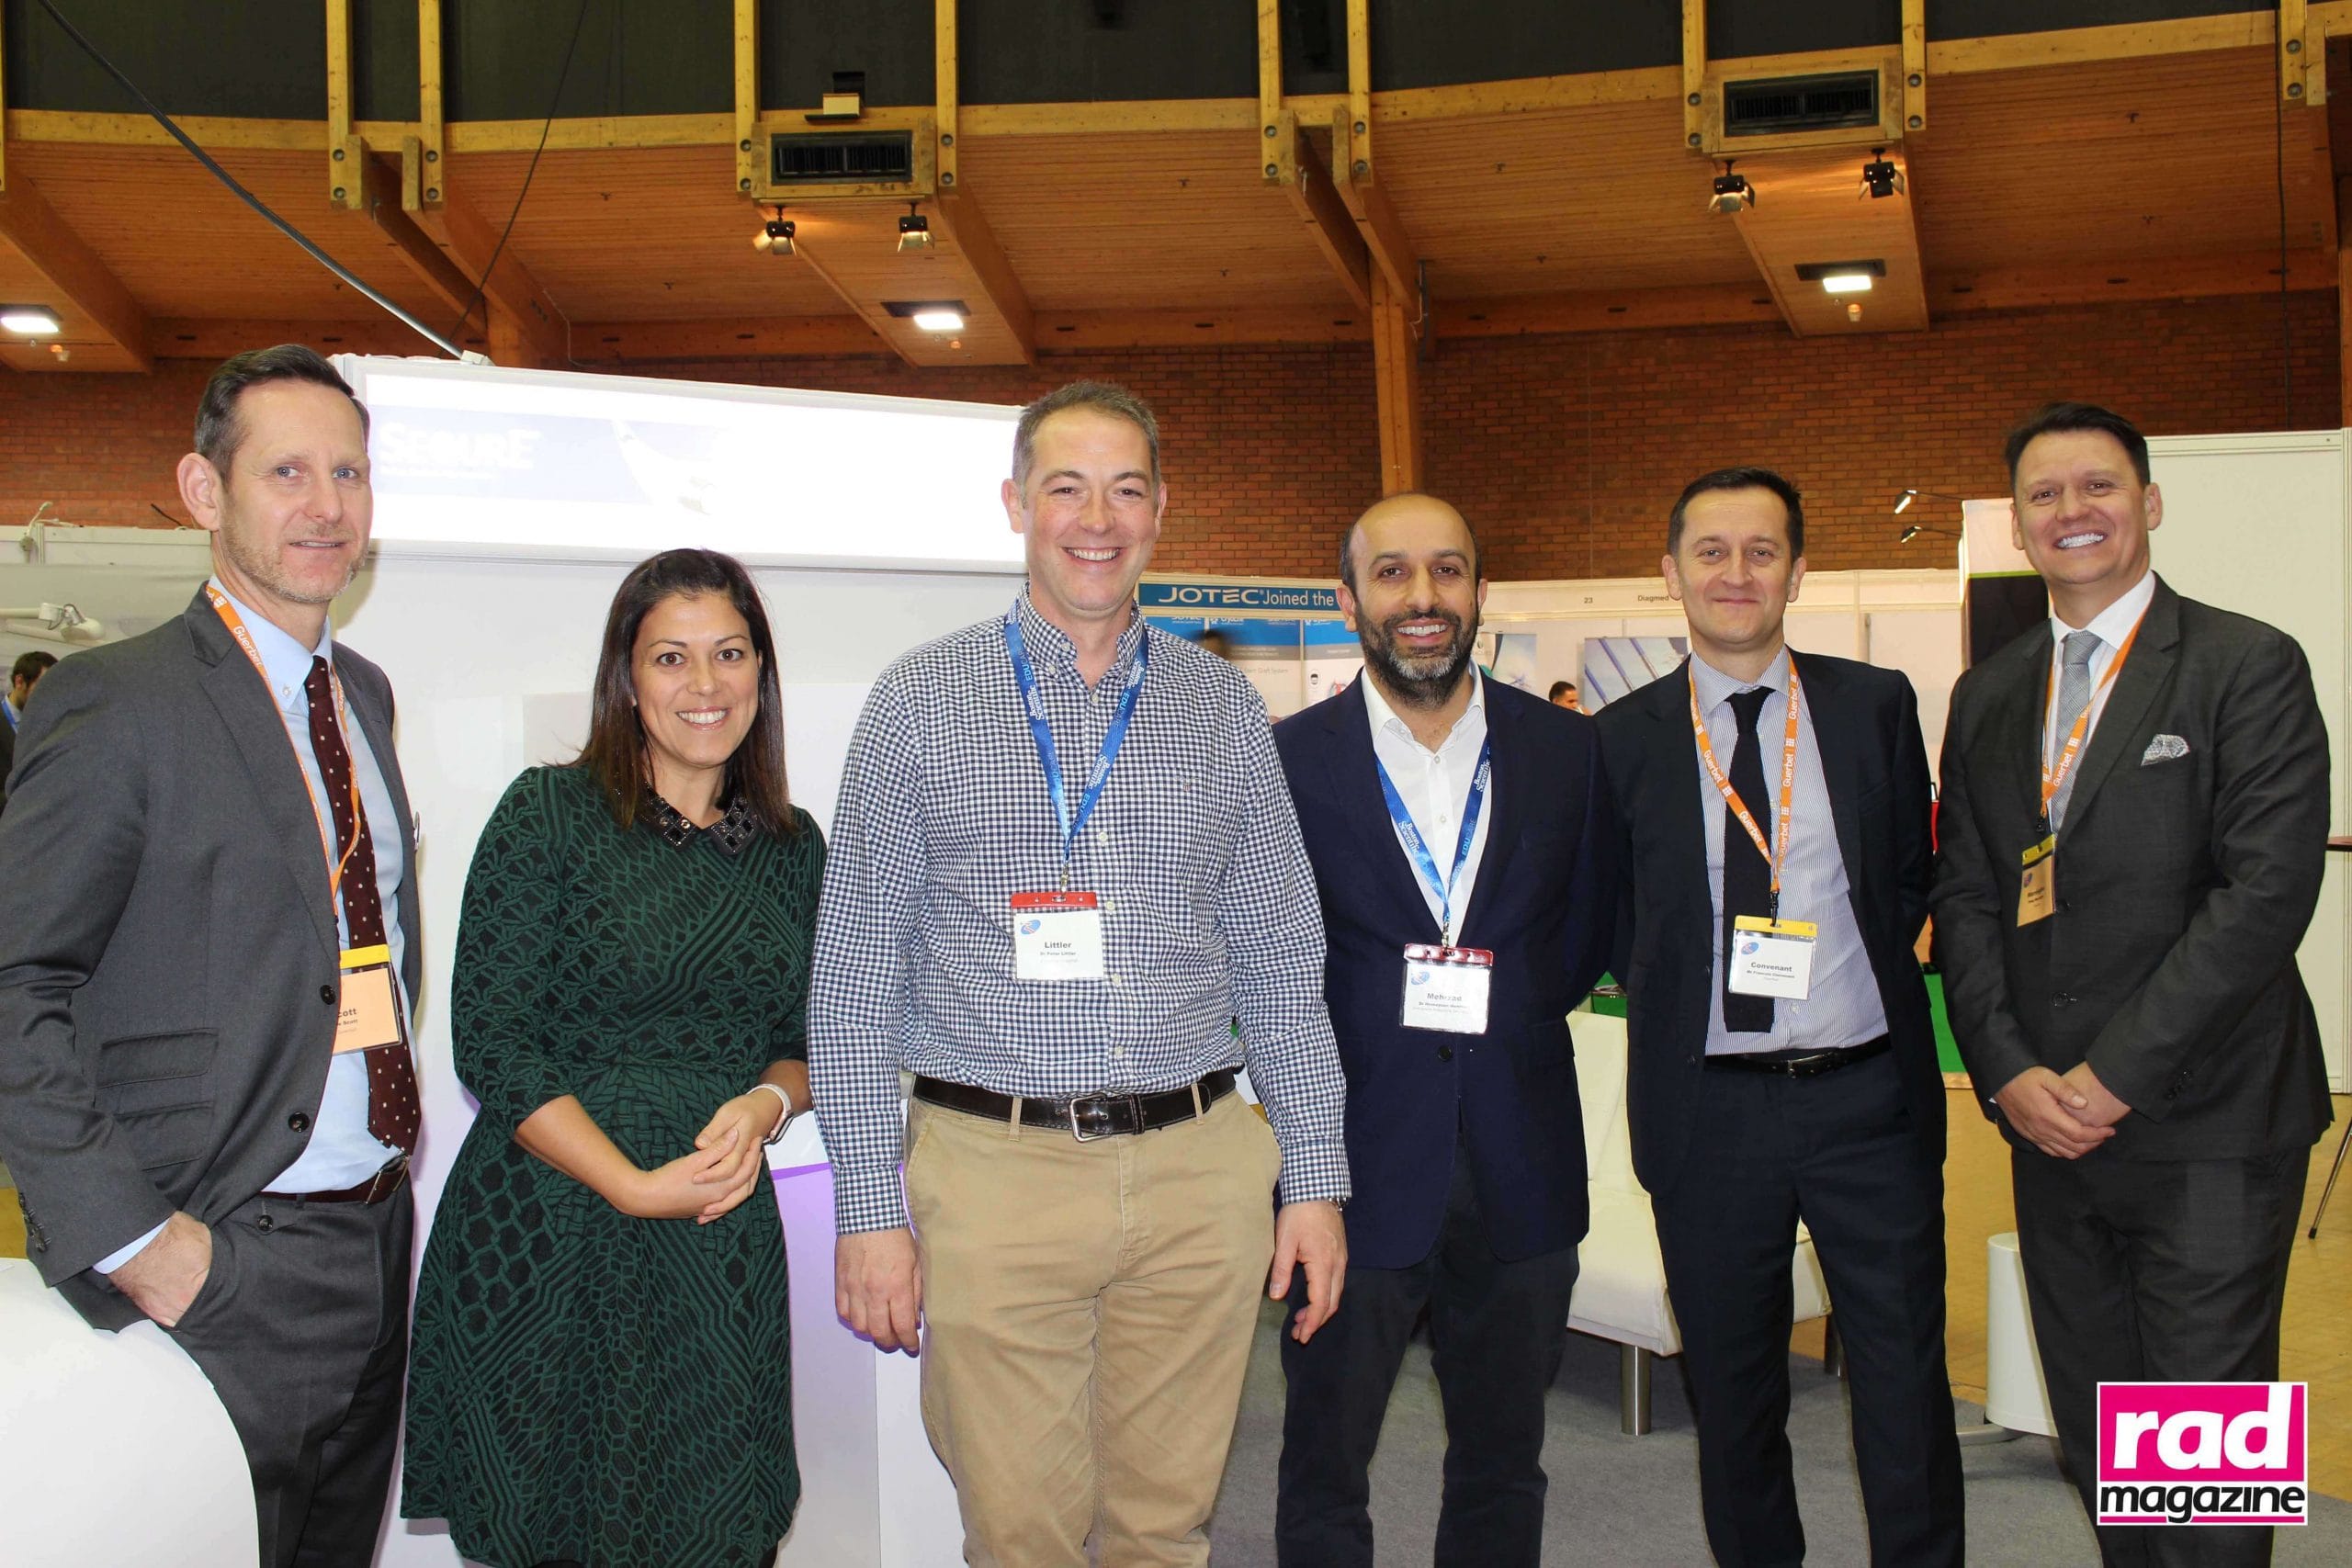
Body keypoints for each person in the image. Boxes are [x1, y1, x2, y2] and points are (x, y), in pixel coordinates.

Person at [809, 380, 1350, 1566]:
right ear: (1016, 504)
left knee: (1164, 1529)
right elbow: (852, 976)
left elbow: (1280, 962)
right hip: (994, 1172)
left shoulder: (1221, 710)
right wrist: (867, 1207)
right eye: (1066, 488)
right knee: (1022, 1534)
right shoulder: (918, 702)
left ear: (1160, 510)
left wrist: (1312, 1178)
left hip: (1198, 1171)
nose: (1096, 520)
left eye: (1125, 490)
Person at [0, 344, 418, 1568]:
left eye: (348, 472)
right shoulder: (117, 702)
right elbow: (16, 982)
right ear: (203, 489)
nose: (325, 505)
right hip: (221, 1248)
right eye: (286, 472)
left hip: (371, 1235)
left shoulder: (365, 695)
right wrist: (140, 1241)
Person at [1931, 403, 2331, 1568]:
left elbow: (2263, 896)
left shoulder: (2244, 663)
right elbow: (1967, 898)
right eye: (2044, 495)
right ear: (2018, 525)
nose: (2073, 511)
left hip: (2208, 1124)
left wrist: (2111, 1077)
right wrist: (2006, 1071)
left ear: (2148, 503)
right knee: (2102, 1440)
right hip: (2047, 1129)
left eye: (2097, 486)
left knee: (2201, 1458)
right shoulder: (1990, 694)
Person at [402, 548, 818, 1568]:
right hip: (550, 1222)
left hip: (715, 1237)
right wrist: (631, 1185)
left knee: (714, 1521)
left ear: (761, 672)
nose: (704, 683)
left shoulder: (794, 845)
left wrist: (765, 1107)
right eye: (671, 657)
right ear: (627, 679)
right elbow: (492, 1042)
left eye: (729, 653)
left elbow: (806, 1044)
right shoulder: (547, 814)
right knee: (552, 1522)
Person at [1595, 467, 1963, 1566]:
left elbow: (1907, 880)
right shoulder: (1617, 740)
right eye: (1710, 551)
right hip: (1709, 1115)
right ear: (1670, 574)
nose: (1736, 573)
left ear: (1798, 572)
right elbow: (1615, 918)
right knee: (1733, 1390)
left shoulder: (1872, 705)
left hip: (1867, 1101)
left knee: (1903, 1382)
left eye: (1762, 551)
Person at [1270, 492, 1613, 1566]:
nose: (1423, 596)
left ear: (1479, 590)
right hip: (1349, 1164)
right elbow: (1273, 959)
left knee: (1504, 1462)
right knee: (1324, 1461)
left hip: (1523, 1156)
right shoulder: (1285, 762)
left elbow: (1586, 932)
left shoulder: (1567, 751)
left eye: (1448, 570)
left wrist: (1502, 1016)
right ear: (1346, 600)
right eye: (1392, 573)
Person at [0, 649, 59, 811]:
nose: (46, 698)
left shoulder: (50, 727)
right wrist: (27, 793)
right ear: (19, 681)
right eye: (41, 689)